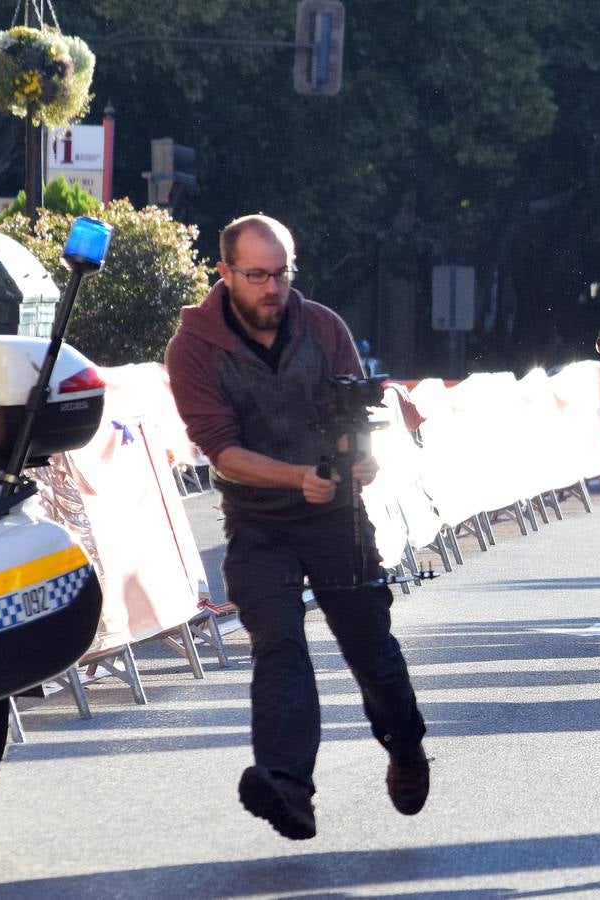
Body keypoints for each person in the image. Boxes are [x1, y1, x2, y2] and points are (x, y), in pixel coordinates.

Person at [165, 214, 428, 841]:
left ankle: (407, 747)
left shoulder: (323, 326)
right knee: (278, 642)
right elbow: (220, 450)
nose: (272, 289)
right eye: (256, 276)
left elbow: (352, 416)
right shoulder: (194, 347)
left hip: (336, 518)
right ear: (225, 273)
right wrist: (296, 477)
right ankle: (287, 788)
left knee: (371, 650)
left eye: (281, 274)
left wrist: (359, 456)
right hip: (256, 521)